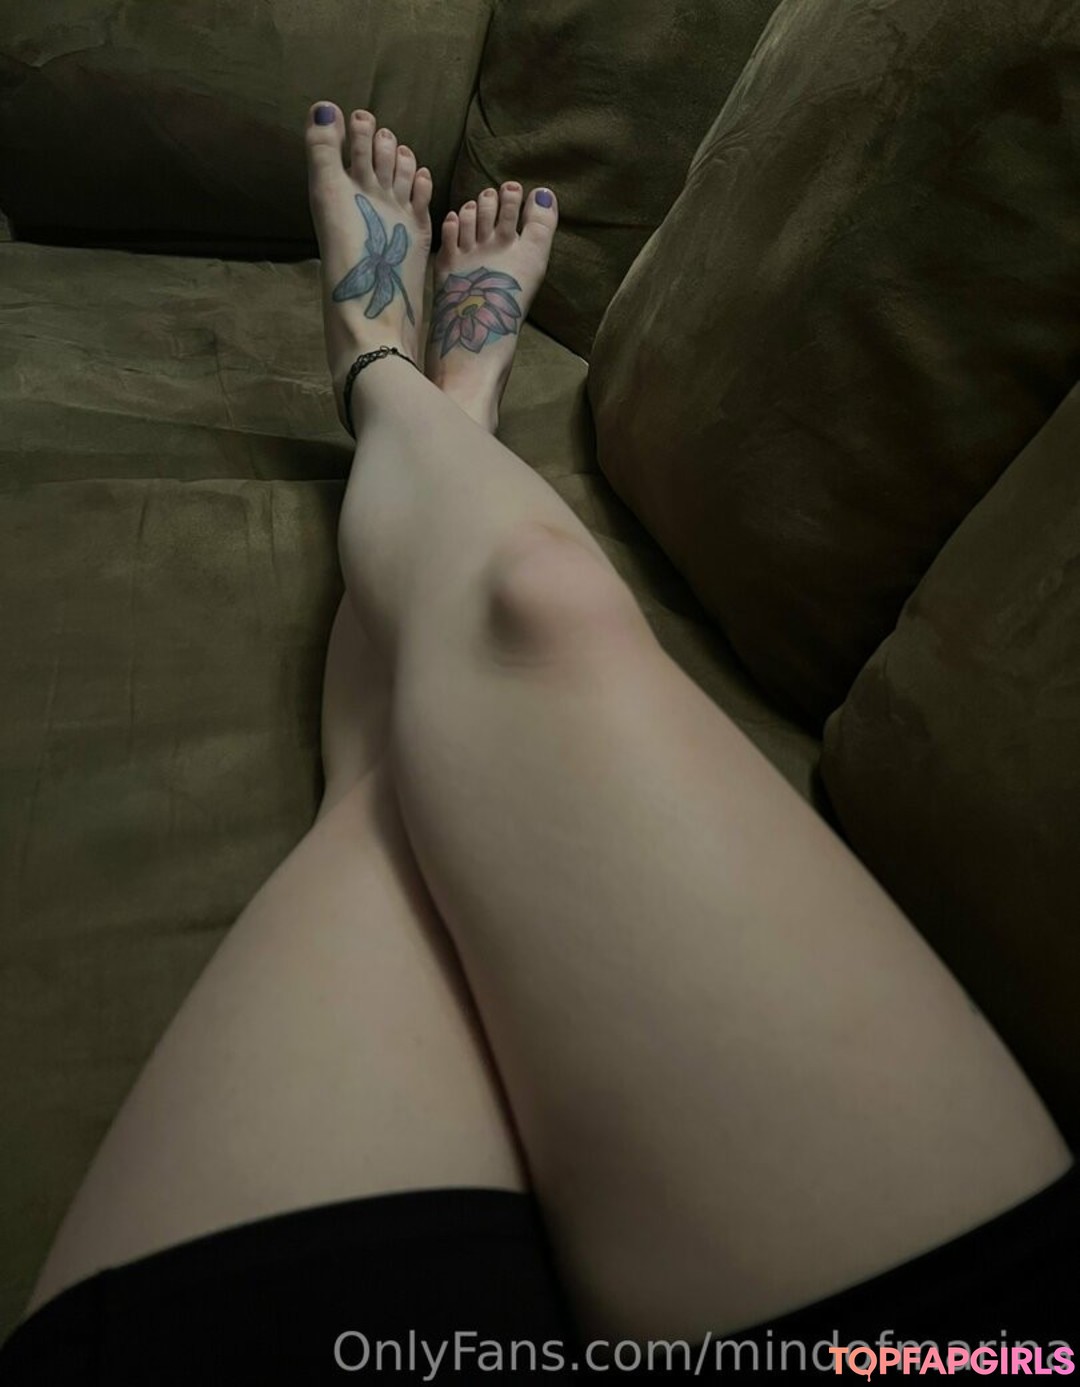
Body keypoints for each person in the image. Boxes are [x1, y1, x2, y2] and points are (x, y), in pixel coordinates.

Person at [1, 103, 1075, 1384]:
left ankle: (382, 373)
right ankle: (454, 405)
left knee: (402, 788)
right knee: (526, 624)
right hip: (978, 1356)